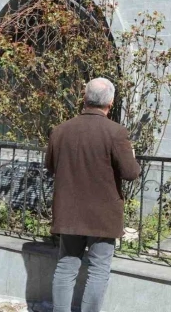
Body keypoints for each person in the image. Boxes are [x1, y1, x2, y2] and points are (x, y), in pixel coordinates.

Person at [46, 77, 141, 312]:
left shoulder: (61, 130)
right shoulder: (116, 132)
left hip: (68, 211)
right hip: (103, 215)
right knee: (99, 270)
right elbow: (131, 173)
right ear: (110, 102)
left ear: (84, 98)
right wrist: (132, 154)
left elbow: (50, 166)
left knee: (66, 267)